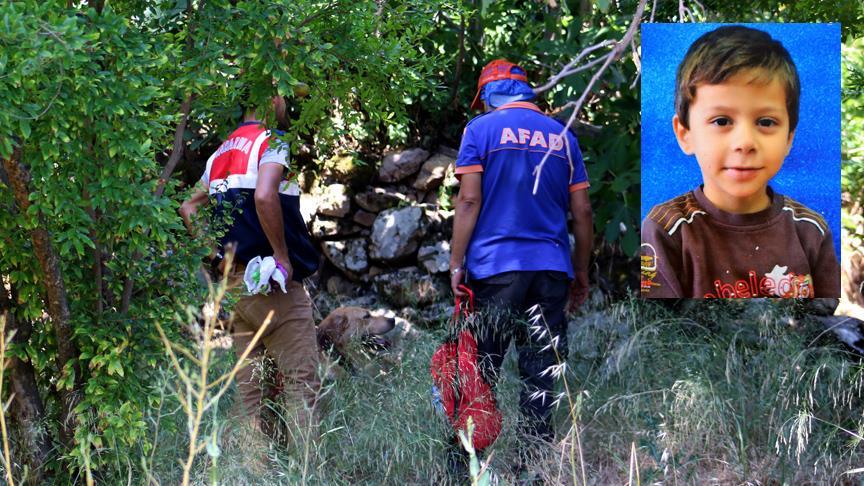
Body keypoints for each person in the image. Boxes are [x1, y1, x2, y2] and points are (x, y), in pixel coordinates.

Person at [449, 59, 594, 446]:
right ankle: (533, 469)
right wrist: (580, 271)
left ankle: (463, 468)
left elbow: (468, 201)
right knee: (540, 379)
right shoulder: (563, 136)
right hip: (550, 272)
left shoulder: (480, 130)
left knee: (479, 375)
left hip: (495, 270)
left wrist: (455, 264)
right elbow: (582, 212)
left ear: (490, 95)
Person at [640, 26, 840, 299]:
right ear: (685, 134)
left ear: (789, 138)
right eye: (722, 121)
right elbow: (661, 331)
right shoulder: (666, 229)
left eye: (766, 122)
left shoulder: (811, 230)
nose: (745, 142)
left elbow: (825, 326)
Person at [179, 94, 321, 449]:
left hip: (237, 286)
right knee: (301, 385)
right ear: (271, 95)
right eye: (285, 95)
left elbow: (189, 207)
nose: (289, 103)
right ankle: (307, 473)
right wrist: (281, 257)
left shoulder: (223, 150)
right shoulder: (272, 139)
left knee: (251, 398)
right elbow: (263, 195)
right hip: (273, 284)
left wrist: (216, 259)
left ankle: (255, 473)